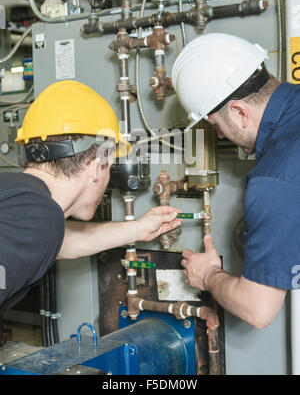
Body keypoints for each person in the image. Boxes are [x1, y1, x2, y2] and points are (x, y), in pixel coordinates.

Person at [0, 80, 181, 312]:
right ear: (96, 167)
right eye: (109, 167)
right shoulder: (40, 215)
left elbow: (58, 243)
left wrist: (138, 228)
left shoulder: (20, 200)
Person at [172, 32, 300, 329]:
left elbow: (257, 309)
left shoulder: (273, 181)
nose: (218, 135)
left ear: (240, 112)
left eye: (216, 124)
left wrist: (208, 276)